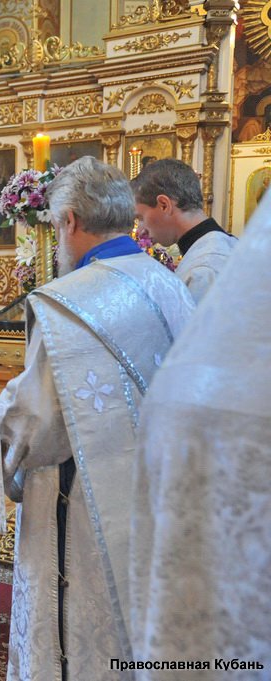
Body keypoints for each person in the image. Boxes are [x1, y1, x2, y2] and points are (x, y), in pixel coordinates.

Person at [0, 157, 194, 680]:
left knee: (81, 640)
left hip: (83, 513)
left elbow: (36, 426)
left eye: (55, 227)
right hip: (158, 495)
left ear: (69, 221)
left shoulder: (66, 305)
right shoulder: (169, 283)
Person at [129, 193, 271, 680]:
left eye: (143, 216)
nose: (142, 228)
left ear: (164, 204)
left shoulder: (205, 266)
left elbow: (198, 379)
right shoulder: (226, 250)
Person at [131, 158, 236, 302]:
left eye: (141, 218)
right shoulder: (221, 244)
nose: (139, 231)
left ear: (164, 205)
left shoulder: (203, 271)